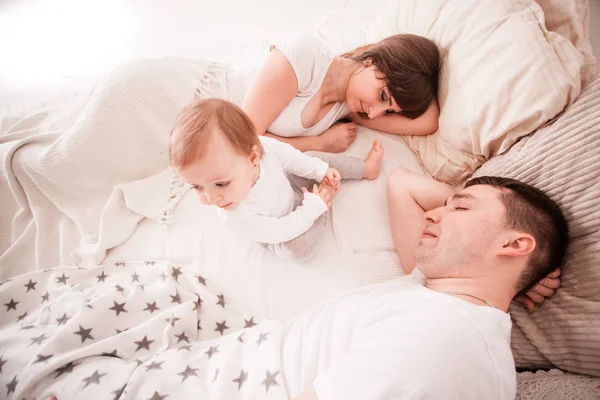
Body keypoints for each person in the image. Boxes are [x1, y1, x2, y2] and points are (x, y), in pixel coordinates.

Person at [34, 171, 567, 400]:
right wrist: (512, 274)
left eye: (460, 208)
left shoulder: (443, 336)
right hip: (227, 357)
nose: (438, 210)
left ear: (513, 243)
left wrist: (511, 265)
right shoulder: (439, 292)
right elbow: (404, 186)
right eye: (447, 202)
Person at [170, 98, 384, 261]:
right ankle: (323, 201)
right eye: (197, 187)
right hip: (278, 228)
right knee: (296, 251)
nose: (211, 197)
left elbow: (292, 158)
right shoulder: (234, 213)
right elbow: (278, 231)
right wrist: (311, 209)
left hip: (289, 186)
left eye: (221, 183)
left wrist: (320, 170)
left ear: (253, 158)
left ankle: (365, 168)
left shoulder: (264, 147)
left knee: (310, 159)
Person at [217, 33, 441, 153]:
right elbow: (245, 140)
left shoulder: (352, 107)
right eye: (383, 97)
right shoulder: (305, 56)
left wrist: (422, 82)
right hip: (210, 103)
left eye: (389, 111)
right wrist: (320, 144)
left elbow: (429, 121)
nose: (375, 114)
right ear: (371, 60)